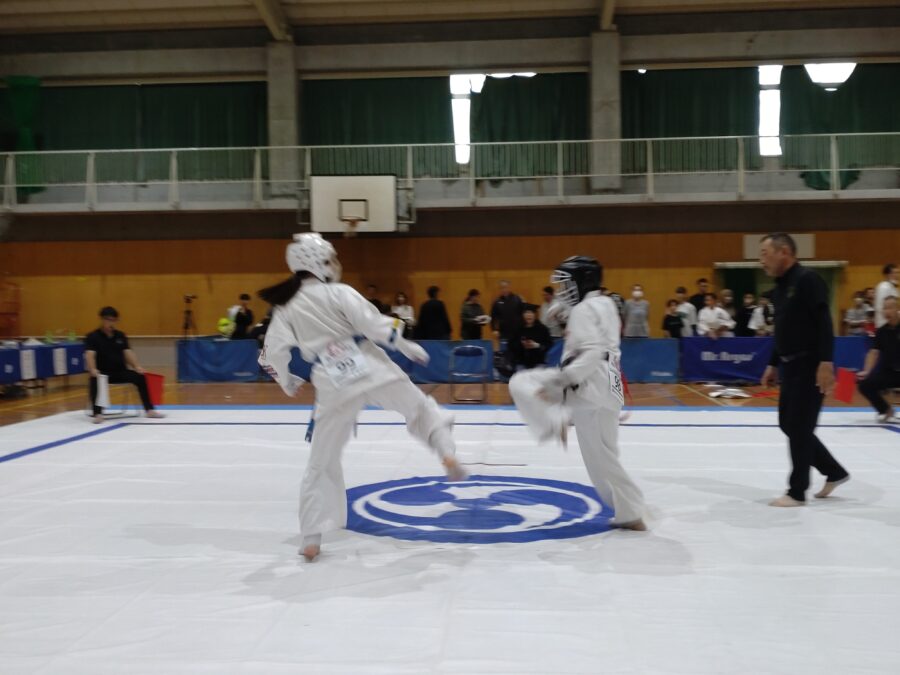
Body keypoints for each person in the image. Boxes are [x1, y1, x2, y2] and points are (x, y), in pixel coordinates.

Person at [258, 233, 466, 562]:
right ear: (316, 262)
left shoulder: (286, 306)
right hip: (369, 364)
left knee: (320, 461)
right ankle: (446, 452)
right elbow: (376, 325)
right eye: (330, 259)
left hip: (330, 379)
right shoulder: (339, 292)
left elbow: (272, 354)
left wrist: (286, 381)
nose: (334, 265)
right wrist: (406, 345)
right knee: (419, 409)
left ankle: (311, 537)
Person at [509, 256, 646, 531]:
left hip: (587, 379)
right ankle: (628, 511)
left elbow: (592, 351)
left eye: (566, 285)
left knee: (520, 382)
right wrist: (562, 308)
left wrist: (563, 380)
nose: (562, 291)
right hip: (612, 381)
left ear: (581, 282)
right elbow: (592, 328)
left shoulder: (583, 310)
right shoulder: (606, 304)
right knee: (605, 453)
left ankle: (553, 420)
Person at [759, 232, 849, 507]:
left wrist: (826, 362)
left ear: (784, 252)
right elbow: (782, 331)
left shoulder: (808, 280)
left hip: (811, 364)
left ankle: (797, 491)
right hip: (790, 366)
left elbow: (824, 322)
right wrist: (773, 363)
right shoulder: (779, 288)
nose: (761, 260)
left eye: (765, 254)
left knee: (799, 426)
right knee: (789, 424)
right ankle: (834, 471)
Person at [85, 306, 164, 423]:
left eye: (113, 320)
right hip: (102, 373)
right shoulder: (93, 336)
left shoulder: (120, 336)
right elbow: (90, 354)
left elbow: (127, 352)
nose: (111, 323)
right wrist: (92, 369)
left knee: (140, 377)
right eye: (108, 319)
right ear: (102, 319)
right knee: (94, 379)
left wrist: (137, 367)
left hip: (120, 371)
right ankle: (97, 413)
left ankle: (149, 410)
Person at [857, 296, 900, 423]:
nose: (887, 311)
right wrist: (866, 371)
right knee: (864, 385)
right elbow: (873, 352)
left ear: (897, 308)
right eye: (884, 308)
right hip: (889, 373)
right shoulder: (881, 331)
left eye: (890, 308)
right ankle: (886, 410)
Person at [509, 304, 552, 370]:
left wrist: (537, 345)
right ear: (523, 315)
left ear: (535, 315)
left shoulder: (543, 329)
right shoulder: (517, 329)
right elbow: (510, 345)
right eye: (526, 313)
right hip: (521, 362)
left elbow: (549, 344)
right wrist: (521, 344)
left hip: (539, 362)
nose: (529, 315)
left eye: (531, 312)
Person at [874, 263, 898, 329]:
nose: (897, 275)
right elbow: (880, 307)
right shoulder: (883, 287)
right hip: (884, 325)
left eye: (898, 273)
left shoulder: (891, 286)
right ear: (888, 275)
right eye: (895, 273)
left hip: (892, 324)